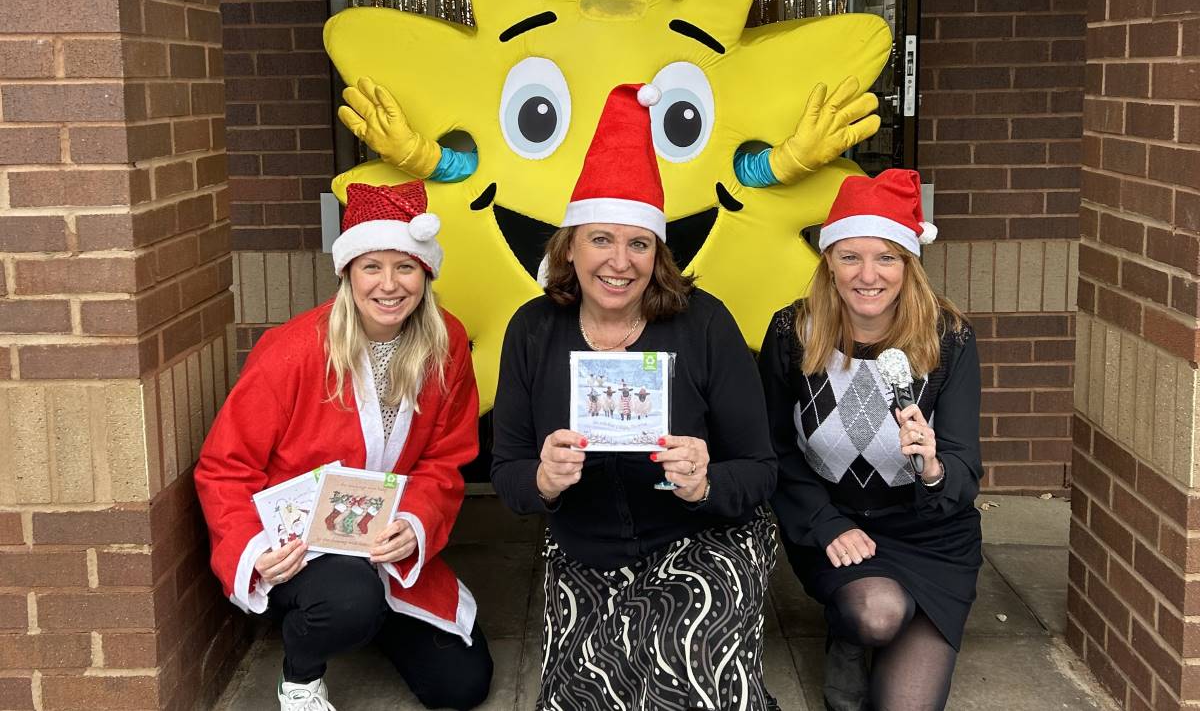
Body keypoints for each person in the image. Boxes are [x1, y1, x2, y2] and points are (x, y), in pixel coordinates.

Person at [491, 83, 779, 710]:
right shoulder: (533, 330)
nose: (619, 262)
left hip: (703, 535)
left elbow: (761, 468)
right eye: (601, 239)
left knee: (685, 670)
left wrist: (706, 483)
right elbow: (507, 470)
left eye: (639, 243)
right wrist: (542, 480)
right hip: (585, 548)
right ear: (569, 246)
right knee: (589, 697)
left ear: (657, 253)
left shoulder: (703, 323)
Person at [195, 181, 493, 711]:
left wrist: (416, 523)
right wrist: (255, 550)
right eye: (372, 266)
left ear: (426, 273)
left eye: (405, 267)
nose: (389, 285)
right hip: (298, 547)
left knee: (461, 686)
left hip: (382, 547)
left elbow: (445, 457)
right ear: (348, 272)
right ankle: (301, 677)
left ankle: (367, 614)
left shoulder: (445, 342)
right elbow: (225, 465)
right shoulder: (293, 350)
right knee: (348, 599)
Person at [758, 169, 982, 711]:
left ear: (908, 265)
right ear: (828, 262)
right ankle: (852, 634)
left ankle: (895, 621)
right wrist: (824, 522)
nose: (868, 275)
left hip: (930, 536)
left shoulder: (949, 338)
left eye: (886, 258)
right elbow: (772, 449)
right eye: (850, 257)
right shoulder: (794, 334)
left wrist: (933, 467)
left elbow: (964, 466)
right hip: (836, 523)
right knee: (877, 613)